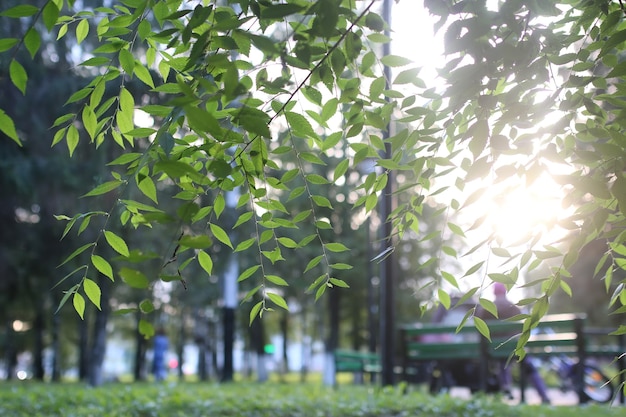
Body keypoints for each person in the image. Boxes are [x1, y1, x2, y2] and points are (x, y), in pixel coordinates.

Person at [476, 283, 551, 404]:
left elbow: (479, 328)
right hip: (515, 348)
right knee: (528, 365)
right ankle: (543, 395)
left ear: (494, 293)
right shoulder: (515, 307)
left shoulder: (486, 308)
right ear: (505, 291)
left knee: (502, 363)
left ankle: (506, 386)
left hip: (494, 349)